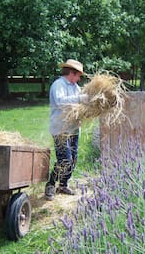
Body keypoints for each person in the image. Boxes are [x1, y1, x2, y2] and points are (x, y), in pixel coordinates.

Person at [45, 59, 88, 200]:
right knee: (65, 159)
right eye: (78, 75)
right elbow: (60, 102)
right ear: (71, 73)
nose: (79, 78)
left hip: (74, 129)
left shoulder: (75, 87)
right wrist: (81, 99)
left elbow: (79, 106)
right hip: (60, 129)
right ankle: (50, 185)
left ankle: (63, 184)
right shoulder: (59, 85)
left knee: (73, 159)